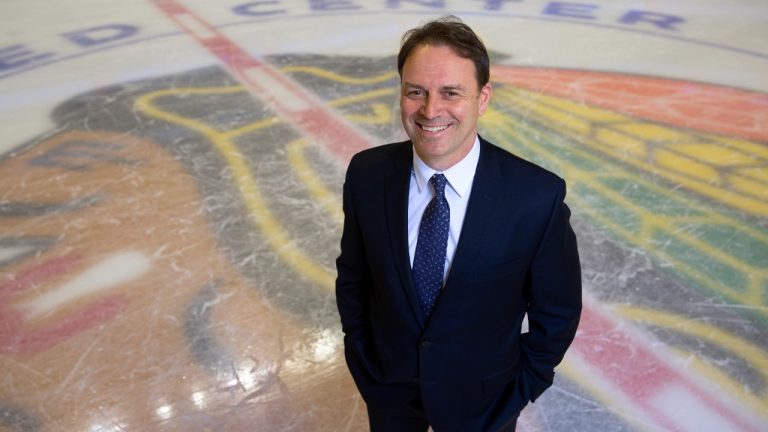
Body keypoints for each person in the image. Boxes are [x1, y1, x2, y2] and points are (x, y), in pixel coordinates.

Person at [335, 15, 582, 432]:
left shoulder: (535, 197)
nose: (431, 110)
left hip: (485, 404)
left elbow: (557, 313)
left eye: (451, 92)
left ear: (482, 98)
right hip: (390, 396)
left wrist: (521, 388)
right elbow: (354, 278)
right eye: (416, 92)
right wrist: (366, 366)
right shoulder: (366, 174)